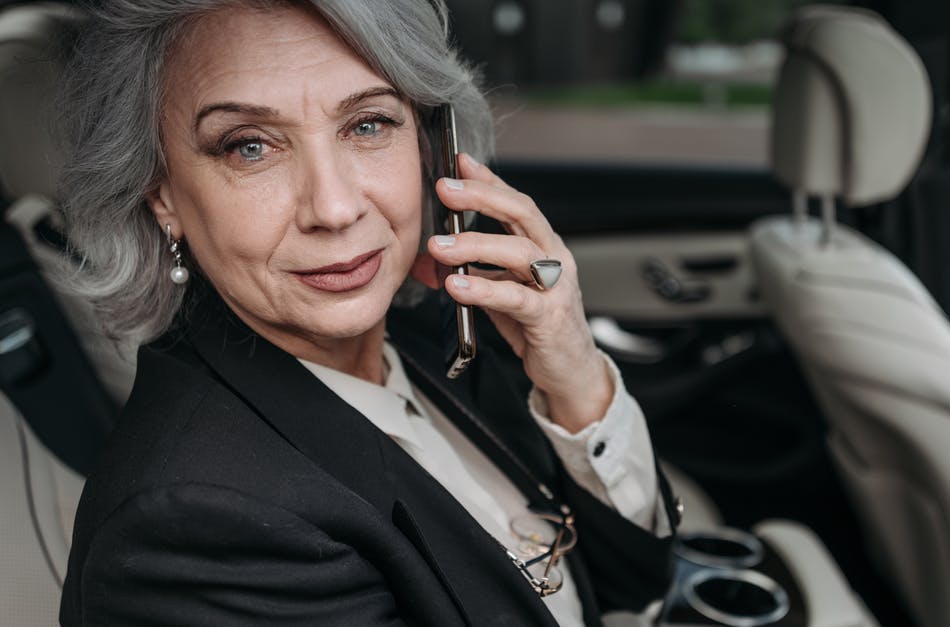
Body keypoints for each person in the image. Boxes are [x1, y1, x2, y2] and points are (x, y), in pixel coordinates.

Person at [56, 0, 678, 625]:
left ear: (434, 147)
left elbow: (629, 578)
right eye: (250, 146)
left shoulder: (435, 333)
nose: (333, 207)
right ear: (162, 194)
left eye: (368, 124)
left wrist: (576, 377)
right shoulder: (195, 531)